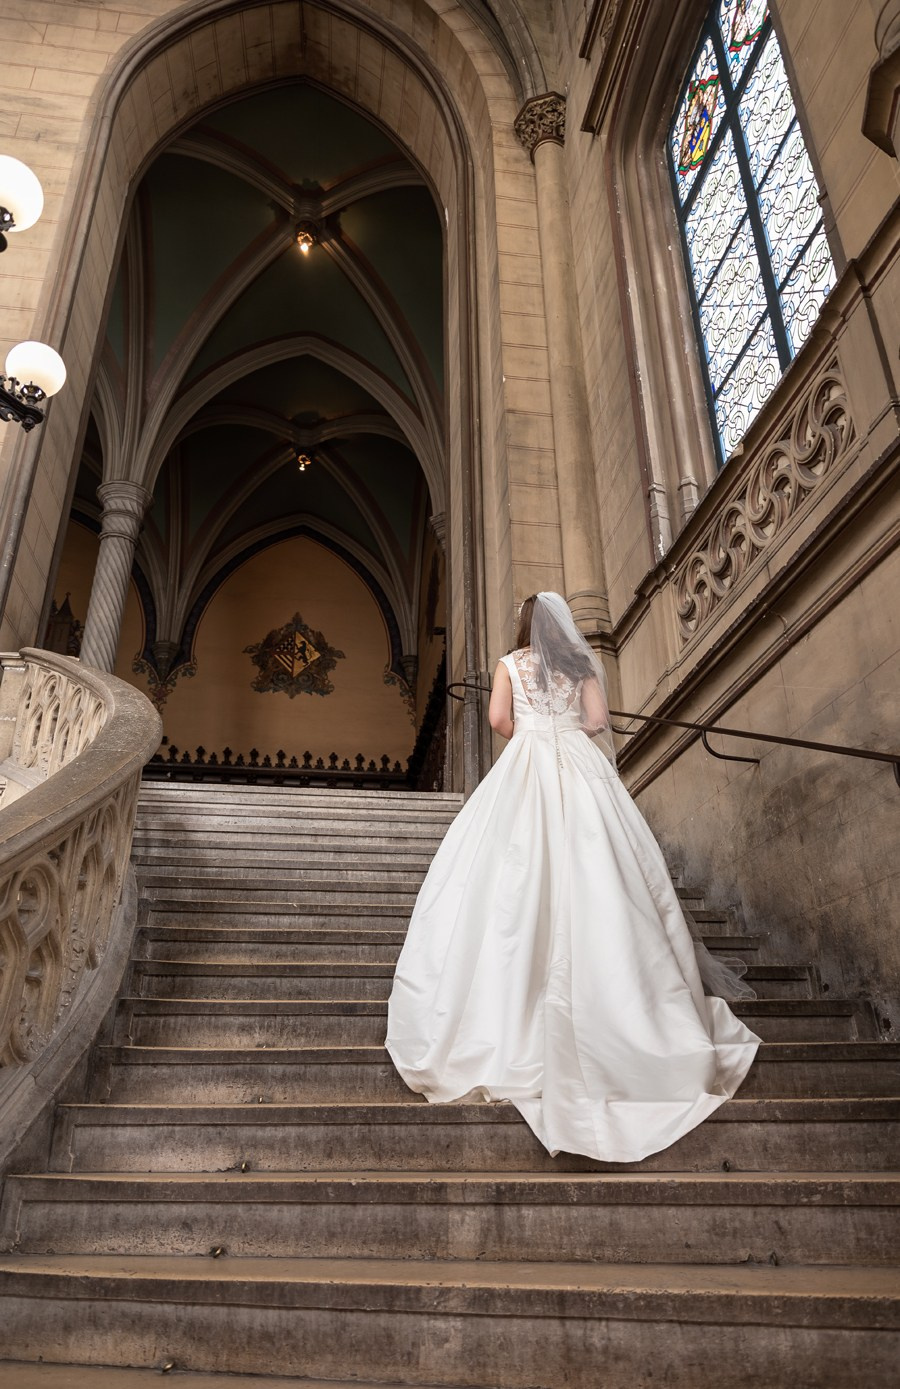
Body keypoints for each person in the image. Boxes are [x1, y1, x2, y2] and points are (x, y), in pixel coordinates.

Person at [386, 592, 760, 1163]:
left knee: (510, 882)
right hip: (582, 774)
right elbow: (598, 722)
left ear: (523, 626)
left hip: (527, 765)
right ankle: (637, 1013)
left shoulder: (512, 664)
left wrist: (533, 734)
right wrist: (565, 734)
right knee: (605, 872)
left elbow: (497, 721)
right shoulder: (582, 665)